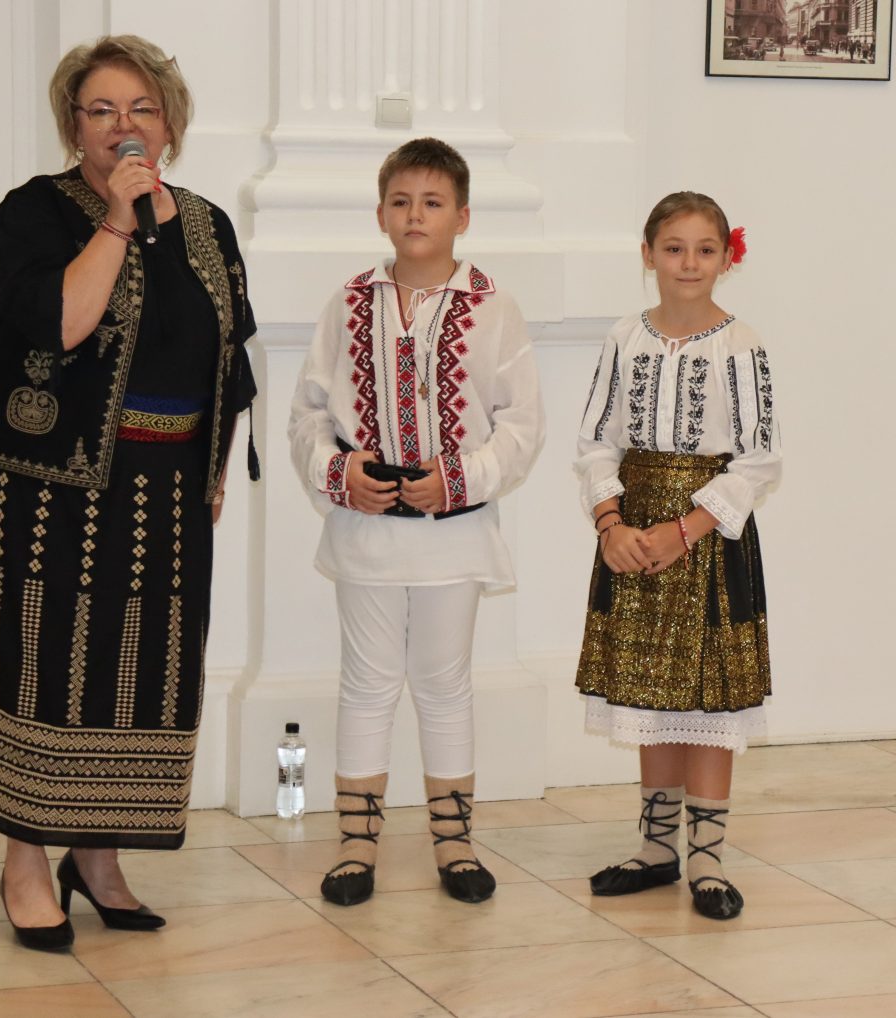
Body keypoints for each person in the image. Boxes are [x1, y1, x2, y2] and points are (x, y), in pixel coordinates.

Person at [0, 35, 258, 951]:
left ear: (169, 124)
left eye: (141, 109)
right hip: (51, 489)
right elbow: (60, 323)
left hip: (167, 490)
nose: (123, 126)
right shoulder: (36, 212)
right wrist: (117, 221)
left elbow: (228, 359)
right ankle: (25, 860)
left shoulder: (208, 223)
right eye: (102, 111)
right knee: (46, 669)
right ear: (74, 126)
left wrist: (215, 466)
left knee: (139, 677)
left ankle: (98, 858)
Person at [288, 138, 543, 907]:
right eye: (401, 201)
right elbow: (308, 414)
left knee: (443, 684)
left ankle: (454, 844)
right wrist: (339, 473)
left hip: (453, 535)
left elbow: (522, 426)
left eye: (432, 202)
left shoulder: (494, 308)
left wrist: (458, 480)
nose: (415, 215)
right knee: (366, 683)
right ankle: (356, 846)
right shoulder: (349, 303)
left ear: (462, 216)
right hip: (366, 532)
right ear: (380, 214)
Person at [574, 192, 780, 921]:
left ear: (727, 258)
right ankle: (657, 849)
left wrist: (685, 529)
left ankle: (709, 860)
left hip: (709, 540)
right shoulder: (623, 338)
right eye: (673, 247)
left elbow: (759, 459)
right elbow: (596, 440)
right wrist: (612, 525)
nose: (688, 263)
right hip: (631, 533)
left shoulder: (741, 345)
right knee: (647, 694)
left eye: (704, 249)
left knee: (708, 698)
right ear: (648, 254)